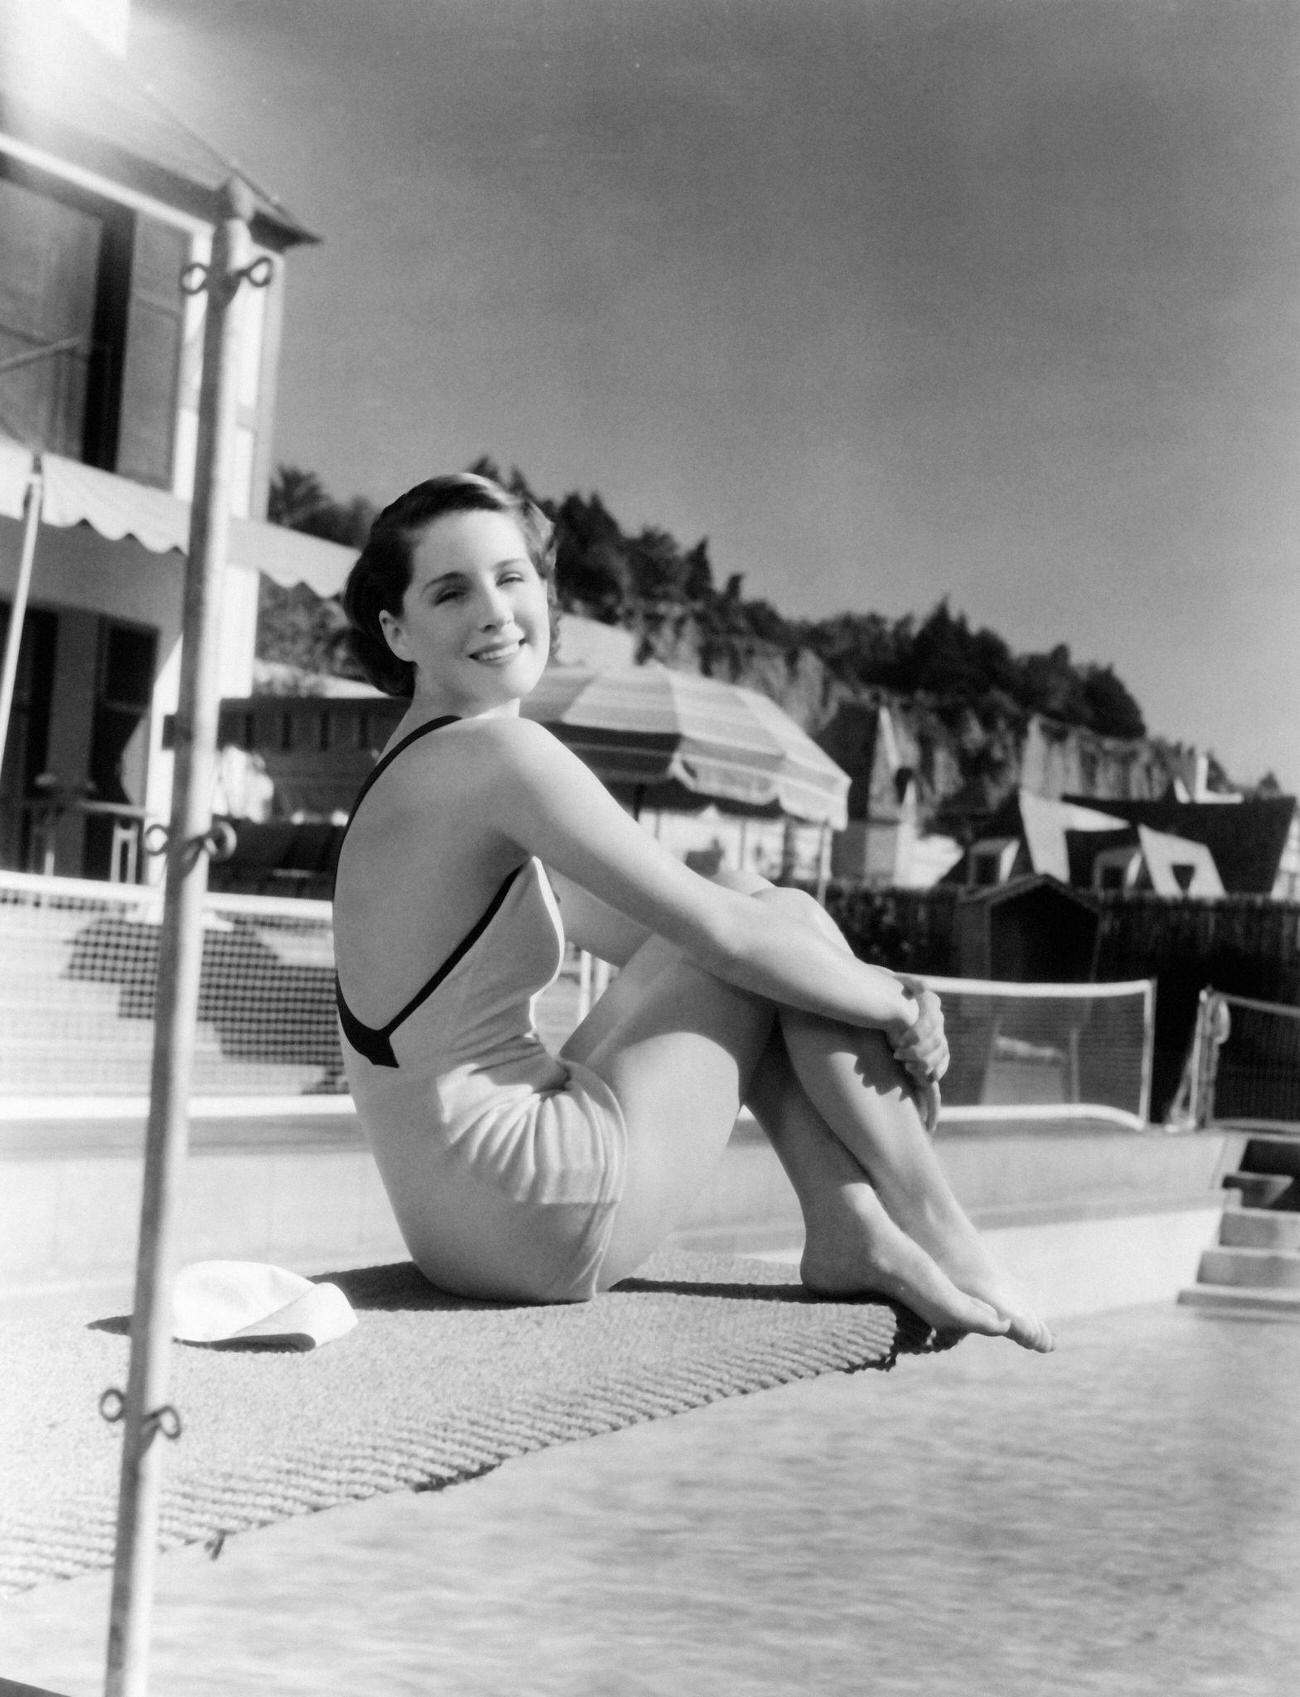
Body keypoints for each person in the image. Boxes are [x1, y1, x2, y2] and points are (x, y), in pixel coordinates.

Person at [333, 472, 1053, 1351]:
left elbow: (697, 941)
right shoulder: (498, 755)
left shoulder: (421, 767)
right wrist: (897, 1005)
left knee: (761, 919)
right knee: (761, 914)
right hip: (531, 1207)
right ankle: (938, 1225)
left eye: (511, 577)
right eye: (452, 592)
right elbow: (726, 935)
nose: (494, 611)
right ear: (397, 630)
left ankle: (852, 1226)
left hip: (457, 1227)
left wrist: (860, 981)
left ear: (544, 595)